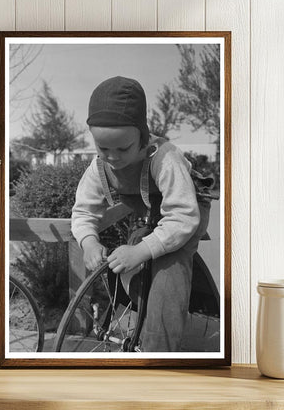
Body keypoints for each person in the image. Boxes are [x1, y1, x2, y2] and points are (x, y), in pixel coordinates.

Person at [71, 76, 211, 352]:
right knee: (133, 267)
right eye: (103, 148)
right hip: (151, 217)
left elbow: (182, 217)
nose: (112, 157)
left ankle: (159, 354)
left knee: (167, 277)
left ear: (144, 138)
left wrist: (143, 250)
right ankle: (146, 324)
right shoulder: (99, 167)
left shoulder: (165, 158)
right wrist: (88, 242)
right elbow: (83, 211)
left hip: (184, 215)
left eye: (123, 148)